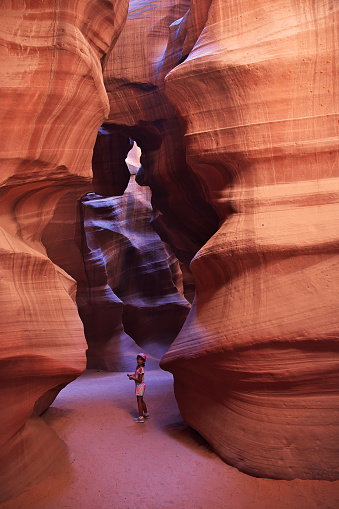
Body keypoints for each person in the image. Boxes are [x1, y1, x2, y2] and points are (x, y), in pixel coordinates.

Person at [127, 353, 150, 423]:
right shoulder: (138, 367)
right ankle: (146, 414)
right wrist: (133, 375)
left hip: (140, 386)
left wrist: (132, 378)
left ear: (143, 361)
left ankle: (140, 417)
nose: (138, 360)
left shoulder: (141, 369)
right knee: (141, 400)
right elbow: (137, 375)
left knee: (139, 401)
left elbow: (139, 380)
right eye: (138, 359)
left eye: (140, 359)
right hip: (139, 386)